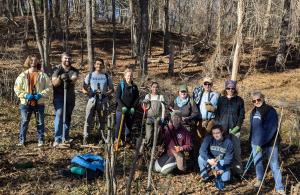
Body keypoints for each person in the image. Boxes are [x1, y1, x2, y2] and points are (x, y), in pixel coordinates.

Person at [249, 91, 285, 195]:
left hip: (270, 142)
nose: (256, 102)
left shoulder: (270, 111)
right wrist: (251, 140)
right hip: (255, 142)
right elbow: (252, 127)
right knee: (258, 162)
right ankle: (260, 180)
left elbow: (271, 129)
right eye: (254, 101)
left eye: (258, 99)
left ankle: (279, 187)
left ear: (263, 98)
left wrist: (262, 143)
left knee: (274, 164)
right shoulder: (253, 111)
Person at [14, 55, 51, 147]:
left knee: (40, 122)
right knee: (24, 122)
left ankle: (41, 140)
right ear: (28, 62)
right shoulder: (22, 75)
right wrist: (25, 95)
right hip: (25, 103)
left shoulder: (43, 75)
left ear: (37, 62)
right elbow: (17, 89)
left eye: (35, 60)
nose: (33, 62)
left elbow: (49, 88)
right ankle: (21, 140)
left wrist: (41, 94)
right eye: (31, 60)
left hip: (39, 103)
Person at [215, 80, 245, 177]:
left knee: (236, 151)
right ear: (225, 89)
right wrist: (219, 126)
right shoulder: (221, 99)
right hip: (222, 130)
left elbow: (242, 115)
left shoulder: (239, 100)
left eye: (232, 88)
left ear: (235, 89)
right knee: (222, 151)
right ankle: (222, 171)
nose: (230, 90)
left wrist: (238, 126)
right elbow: (217, 114)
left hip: (234, 130)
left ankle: (238, 172)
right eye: (228, 88)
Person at [82, 58, 114, 145]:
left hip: (103, 101)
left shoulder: (106, 76)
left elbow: (112, 89)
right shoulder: (90, 75)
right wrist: (89, 93)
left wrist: (105, 94)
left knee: (102, 121)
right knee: (88, 119)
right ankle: (86, 137)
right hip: (92, 100)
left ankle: (102, 138)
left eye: (100, 64)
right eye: (97, 64)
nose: (99, 66)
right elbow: (83, 88)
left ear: (103, 65)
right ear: (94, 65)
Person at [52, 52, 79, 146]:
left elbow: (74, 78)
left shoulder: (74, 70)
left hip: (70, 97)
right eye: (65, 58)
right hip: (59, 96)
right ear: (61, 59)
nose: (67, 60)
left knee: (67, 116)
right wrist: (60, 77)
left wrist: (69, 79)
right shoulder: (56, 69)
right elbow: (54, 83)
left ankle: (65, 137)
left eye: (69, 58)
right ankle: (57, 139)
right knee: (59, 114)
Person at [154, 110, 192, 174]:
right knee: (155, 168)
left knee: (164, 172)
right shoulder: (167, 129)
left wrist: (181, 148)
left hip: (178, 154)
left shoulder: (185, 131)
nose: (176, 119)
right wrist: (160, 126)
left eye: (178, 117)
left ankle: (180, 165)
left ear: (181, 119)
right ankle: (173, 166)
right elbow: (159, 139)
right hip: (169, 154)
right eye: (174, 117)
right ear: (171, 118)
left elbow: (190, 146)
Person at [114, 67, 139, 147]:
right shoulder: (121, 85)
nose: (129, 77)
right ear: (125, 76)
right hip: (121, 110)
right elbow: (117, 97)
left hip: (130, 110)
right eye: (128, 75)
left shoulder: (134, 87)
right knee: (119, 126)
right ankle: (117, 141)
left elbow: (137, 98)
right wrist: (122, 107)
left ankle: (127, 141)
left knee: (129, 126)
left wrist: (133, 107)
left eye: (131, 76)